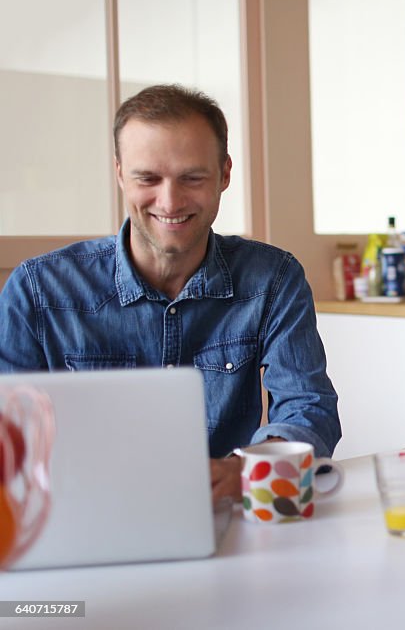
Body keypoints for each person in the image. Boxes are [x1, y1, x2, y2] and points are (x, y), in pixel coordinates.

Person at [0, 85, 342, 502]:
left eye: (192, 177)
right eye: (148, 178)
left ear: (225, 174)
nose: (170, 201)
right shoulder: (37, 290)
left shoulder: (273, 278)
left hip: (227, 517)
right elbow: (8, 438)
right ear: (121, 174)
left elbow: (309, 406)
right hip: (79, 515)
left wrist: (249, 469)